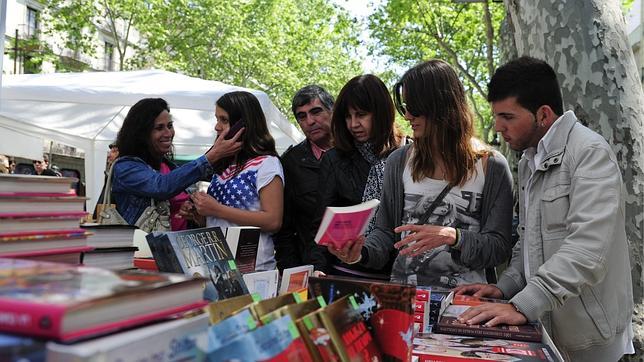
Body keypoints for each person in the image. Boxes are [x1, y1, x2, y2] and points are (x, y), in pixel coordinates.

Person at [454, 56, 634, 361]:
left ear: (544, 115)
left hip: (590, 340)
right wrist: (506, 288)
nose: (498, 127)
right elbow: (530, 240)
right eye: (496, 116)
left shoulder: (589, 153)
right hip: (545, 331)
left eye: (507, 117)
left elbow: (588, 250)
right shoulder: (529, 159)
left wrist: (521, 305)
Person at [331, 60, 513, 287]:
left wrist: (454, 237)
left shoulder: (491, 165)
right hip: (404, 299)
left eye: (414, 108)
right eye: (405, 107)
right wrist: (360, 253)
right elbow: (385, 233)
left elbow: (499, 247)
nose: (407, 116)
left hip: (465, 305)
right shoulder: (398, 161)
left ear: (441, 106)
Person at [313, 74, 402, 279]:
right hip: (345, 272)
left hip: (396, 276)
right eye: (347, 116)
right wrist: (319, 267)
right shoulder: (335, 159)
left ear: (381, 113)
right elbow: (321, 224)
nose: (353, 124)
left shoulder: (407, 156)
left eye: (361, 115)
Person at [111, 98, 242, 231]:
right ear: (141, 134)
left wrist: (192, 211)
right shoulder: (125, 167)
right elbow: (162, 186)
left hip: (179, 247)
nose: (168, 133)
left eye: (170, 125)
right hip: (144, 250)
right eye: (159, 128)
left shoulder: (169, 166)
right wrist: (212, 156)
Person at [189, 91, 283, 272]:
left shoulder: (267, 163)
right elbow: (221, 221)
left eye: (224, 120)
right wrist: (200, 214)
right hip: (217, 266)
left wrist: (216, 209)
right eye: (216, 119)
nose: (217, 127)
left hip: (253, 268)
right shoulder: (222, 164)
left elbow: (273, 220)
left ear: (244, 123)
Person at [274, 85, 334, 271]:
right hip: (312, 267)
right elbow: (284, 230)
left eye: (316, 112)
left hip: (357, 263)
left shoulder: (356, 153)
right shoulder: (290, 163)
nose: (310, 121)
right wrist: (291, 272)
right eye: (302, 116)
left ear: (333, 111)